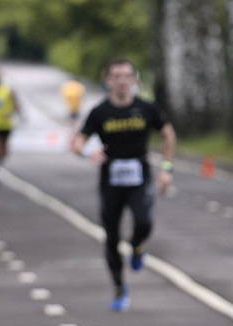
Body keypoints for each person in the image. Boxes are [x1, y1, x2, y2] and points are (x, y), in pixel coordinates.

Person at [70, 59, 175, 312]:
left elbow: (168, 134)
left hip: (139, 178)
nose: (122, 81)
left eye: (126, 76)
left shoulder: (146, 108)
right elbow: (77, 142)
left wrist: (166, 169)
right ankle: (119, 287)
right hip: (111, 182)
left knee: (144, 222)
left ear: (134, 80)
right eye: (116, 76)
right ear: (108, 81)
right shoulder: (100, 112)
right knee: (111, 237)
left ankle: (137, 246)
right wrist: (88, 152)